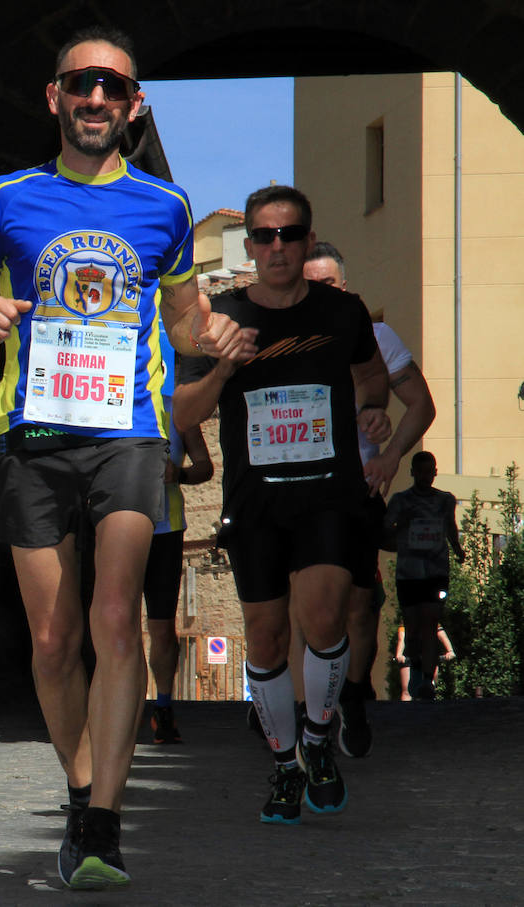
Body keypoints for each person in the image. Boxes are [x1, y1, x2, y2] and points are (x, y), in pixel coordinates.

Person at [0, 26, 247, 889]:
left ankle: (104, 819)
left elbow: (182, 325)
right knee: (53, 634)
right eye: (82, 85)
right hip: (29, 434)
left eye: (113, 88)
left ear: (134, 106)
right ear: (55, 99)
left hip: (131, 434)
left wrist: (213, 333)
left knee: (114, 619)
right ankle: (78, 786)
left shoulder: (165, 208)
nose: (96, 99)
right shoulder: (8, 198)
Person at [175, 184, 392, 827]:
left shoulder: (342, 312)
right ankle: (283, 762)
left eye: (288, 234)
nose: (276, 247)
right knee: (267, 639)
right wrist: (221, 370)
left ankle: (318, 740)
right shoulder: (219, 317)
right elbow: (183, 413)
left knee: (324, 618)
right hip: (256, 500)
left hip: (328, 491)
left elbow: (373, 376)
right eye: (263, 236)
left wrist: (374, 405)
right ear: (250, 244)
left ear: (305, 239)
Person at [299, 241, 437, 757]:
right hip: (295, 490)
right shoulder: (283, 339)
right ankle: (305, 704)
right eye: (310, 285)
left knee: (358, 607)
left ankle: (354, 696)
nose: (319, 294)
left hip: (357, 488)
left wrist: (393, 455)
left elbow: (421, 404)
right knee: (304, 606)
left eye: (329, 285)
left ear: (346, 288)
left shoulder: (376, 337)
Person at [146, 351, 214, 744]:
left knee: (162, 629)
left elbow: (205, 465)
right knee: (115, 626)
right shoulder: (113, 402)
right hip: (120, 529)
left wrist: (180, 473)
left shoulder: (178, 409)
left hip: (166, 530)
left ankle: (164, 706)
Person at [384, 451, 464, 701]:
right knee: (413, 625)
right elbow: (385, 529)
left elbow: (451, 527)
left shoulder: (445, 501)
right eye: (420, 471)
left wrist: (459, 551)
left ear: (435, 472)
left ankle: (427, 681)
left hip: (435, 572)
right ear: (413, 473)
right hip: (408, 573)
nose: (425, 476)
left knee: (430, 623)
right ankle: (417, 669)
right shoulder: (400, 501)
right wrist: (401, 526)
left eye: (429, 471)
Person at [394, 621, 456, 700]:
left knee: (430, 686)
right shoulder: (407, 622)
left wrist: (450, 651)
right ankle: (406, 710)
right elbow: (401, 639)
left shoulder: (431, 620)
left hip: (428, 656)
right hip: (411, 656)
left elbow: (442, 635)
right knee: (407, 692)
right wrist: (399, 654)